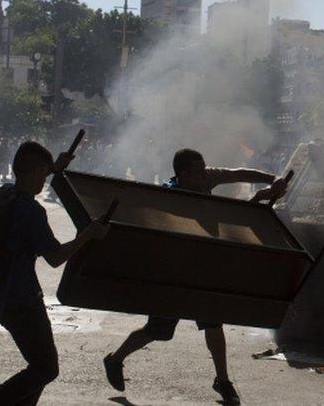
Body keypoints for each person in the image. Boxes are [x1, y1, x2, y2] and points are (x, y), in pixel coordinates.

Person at [102, 148, 289, 405]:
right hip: (176, 269)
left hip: (203, 265)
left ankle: (222, 381)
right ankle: (115, 359)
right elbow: (223, 219)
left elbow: (238, 174)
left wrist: (272, 179)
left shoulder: (206, 177)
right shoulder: (170, 197)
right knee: (157, 329)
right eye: (199, 172)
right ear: (182, 175)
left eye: (205, 170)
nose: (206, 176)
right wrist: (257, 201)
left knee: (213, 322)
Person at [0, 142, 109, 405]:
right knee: (46, 369)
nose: (44, 181)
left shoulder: (5, 193)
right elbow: (55, 257)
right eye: (43, 175)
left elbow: (30, 177)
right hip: (21, 300)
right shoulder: (31, 212)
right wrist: (87, 235)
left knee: (39, 367)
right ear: (34, 171)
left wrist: (54, 168)